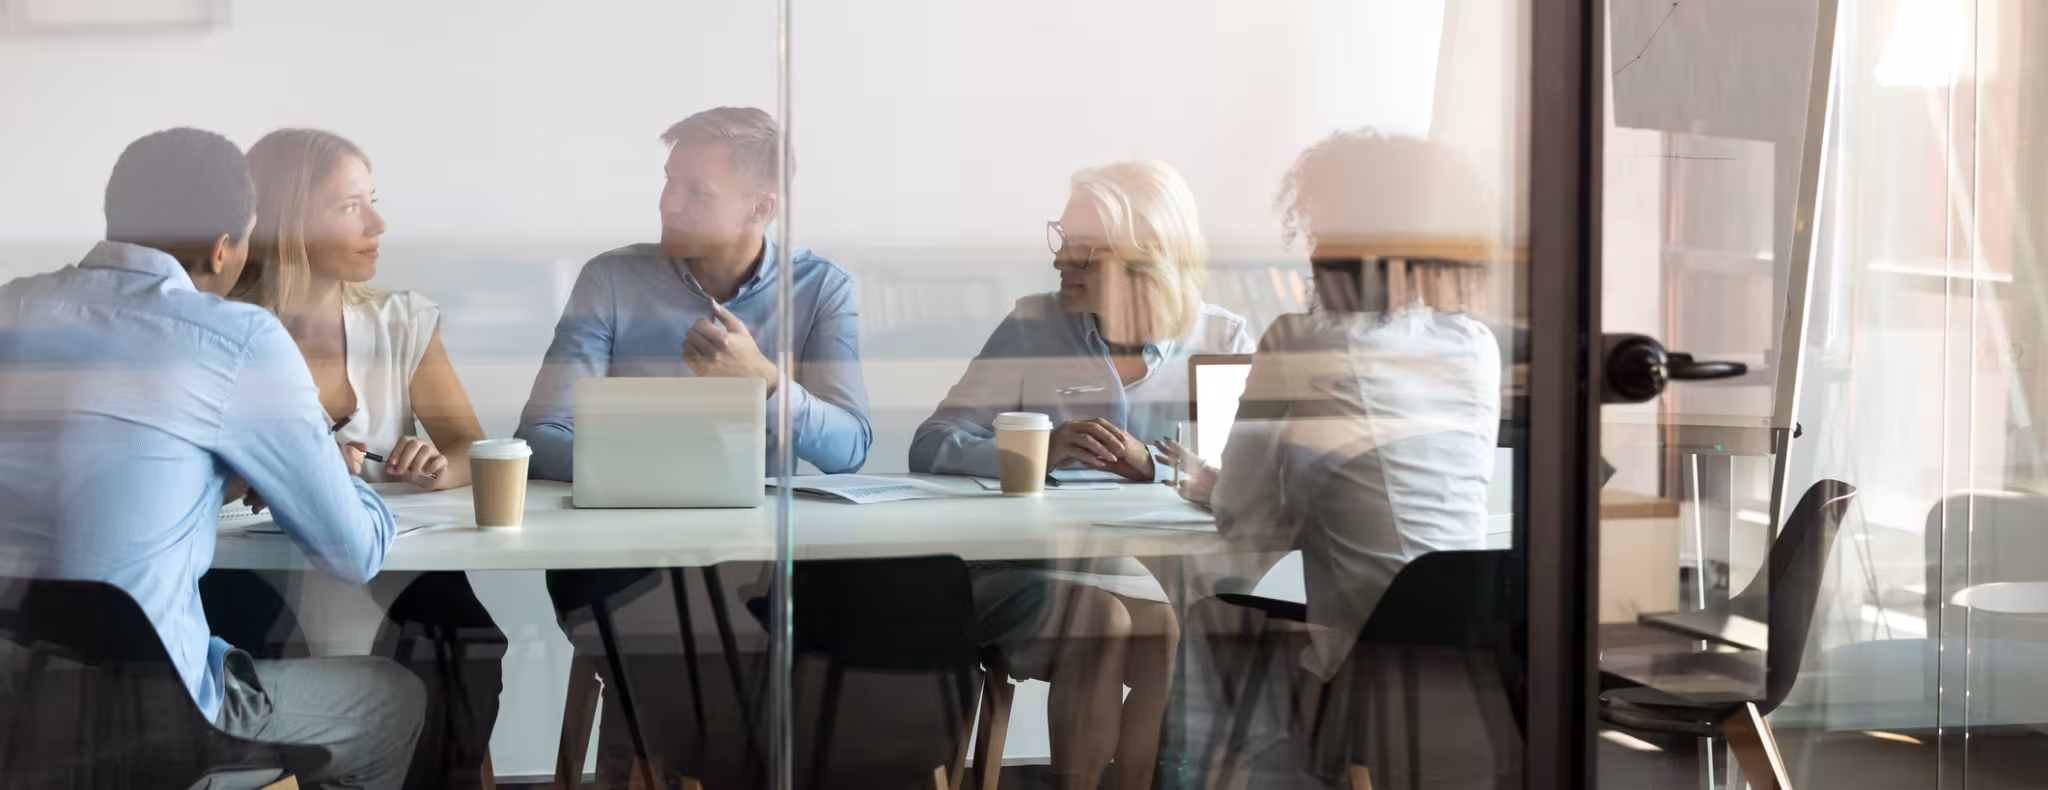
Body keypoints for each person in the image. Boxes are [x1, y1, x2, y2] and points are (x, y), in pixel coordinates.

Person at [0, 128, 421, 789]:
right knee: (389, 699)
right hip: (147, 712)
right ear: (223, 247)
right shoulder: (235, 338)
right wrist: (336, 471)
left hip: (14, 699)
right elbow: (352, 552)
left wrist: (213, 479)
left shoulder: (13, 306)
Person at [514, 106, 871, 786]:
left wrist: (764, 383)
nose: (667, 204)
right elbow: (540, 435)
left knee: (868, 620)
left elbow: (849, 446)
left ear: (761, 207)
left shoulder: (822, 290)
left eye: (694, 191)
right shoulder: (611, 280)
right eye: (668, 182)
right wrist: (656, 469)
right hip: (622, 558)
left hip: (761, 558)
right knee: (686, 633)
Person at [1163, 129, 1504, 784]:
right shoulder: (1474, 345)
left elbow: (1248, 517)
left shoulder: (1301, 341)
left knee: (1210, 621)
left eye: (1321, 230)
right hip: (1472, 657)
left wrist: (1215, 486)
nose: (1313, 250)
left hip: (1369, 671)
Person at [910, 160, 1255, 790]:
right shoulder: (1032, 325)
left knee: (1159, 629)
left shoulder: (1223, 338)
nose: (1059, 261)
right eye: (1061, 240)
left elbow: (1239, 485)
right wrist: (1033, 453)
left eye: (1084, 253)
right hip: (1024, 566)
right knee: (1106, 621)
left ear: (1147, 260)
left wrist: (1154, 468)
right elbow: (932, 444)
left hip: (1157, 573)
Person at [218, 128, 503, 790]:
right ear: (289, 220)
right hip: (258, 572)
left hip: (389, 562)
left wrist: (438, 462)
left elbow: (471, 446)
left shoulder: (403, 321)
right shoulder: (218, 331)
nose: (378, 223)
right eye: (350, 207)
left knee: (467, 647)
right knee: (249, 661)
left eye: (371, 201)